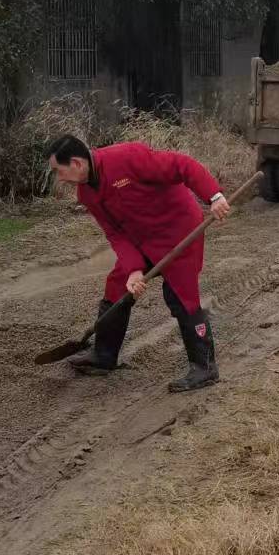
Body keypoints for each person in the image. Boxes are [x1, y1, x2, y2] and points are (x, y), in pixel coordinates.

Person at [45, 134, 232, 392]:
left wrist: (214, 196)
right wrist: (133, 269)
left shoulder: (126, 157)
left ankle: (205, 367)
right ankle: (103, 356)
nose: (59, 178)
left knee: (181, 295)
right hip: (142, 240)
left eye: (58, 170)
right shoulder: (86, 192)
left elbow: (182, 165)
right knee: (117, 284)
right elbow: (114, 233)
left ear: (76, 163)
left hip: (179, 231)